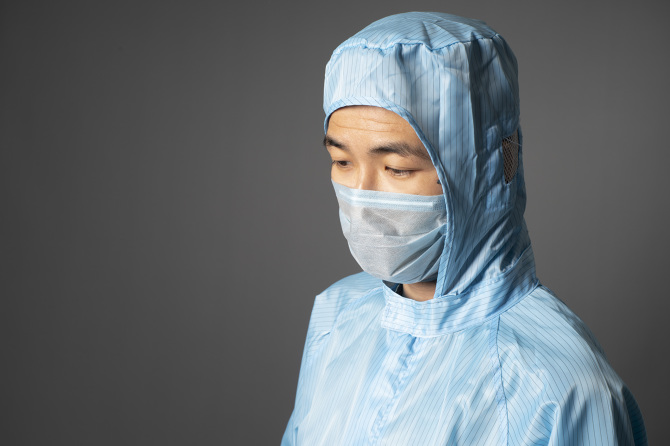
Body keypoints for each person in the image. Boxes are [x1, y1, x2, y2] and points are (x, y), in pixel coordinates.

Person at [282, 12, 646, 445]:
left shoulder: (563, 390)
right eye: (342, 161)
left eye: (396, 168)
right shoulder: (336, 315)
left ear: (485, 168)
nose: (360, 197)